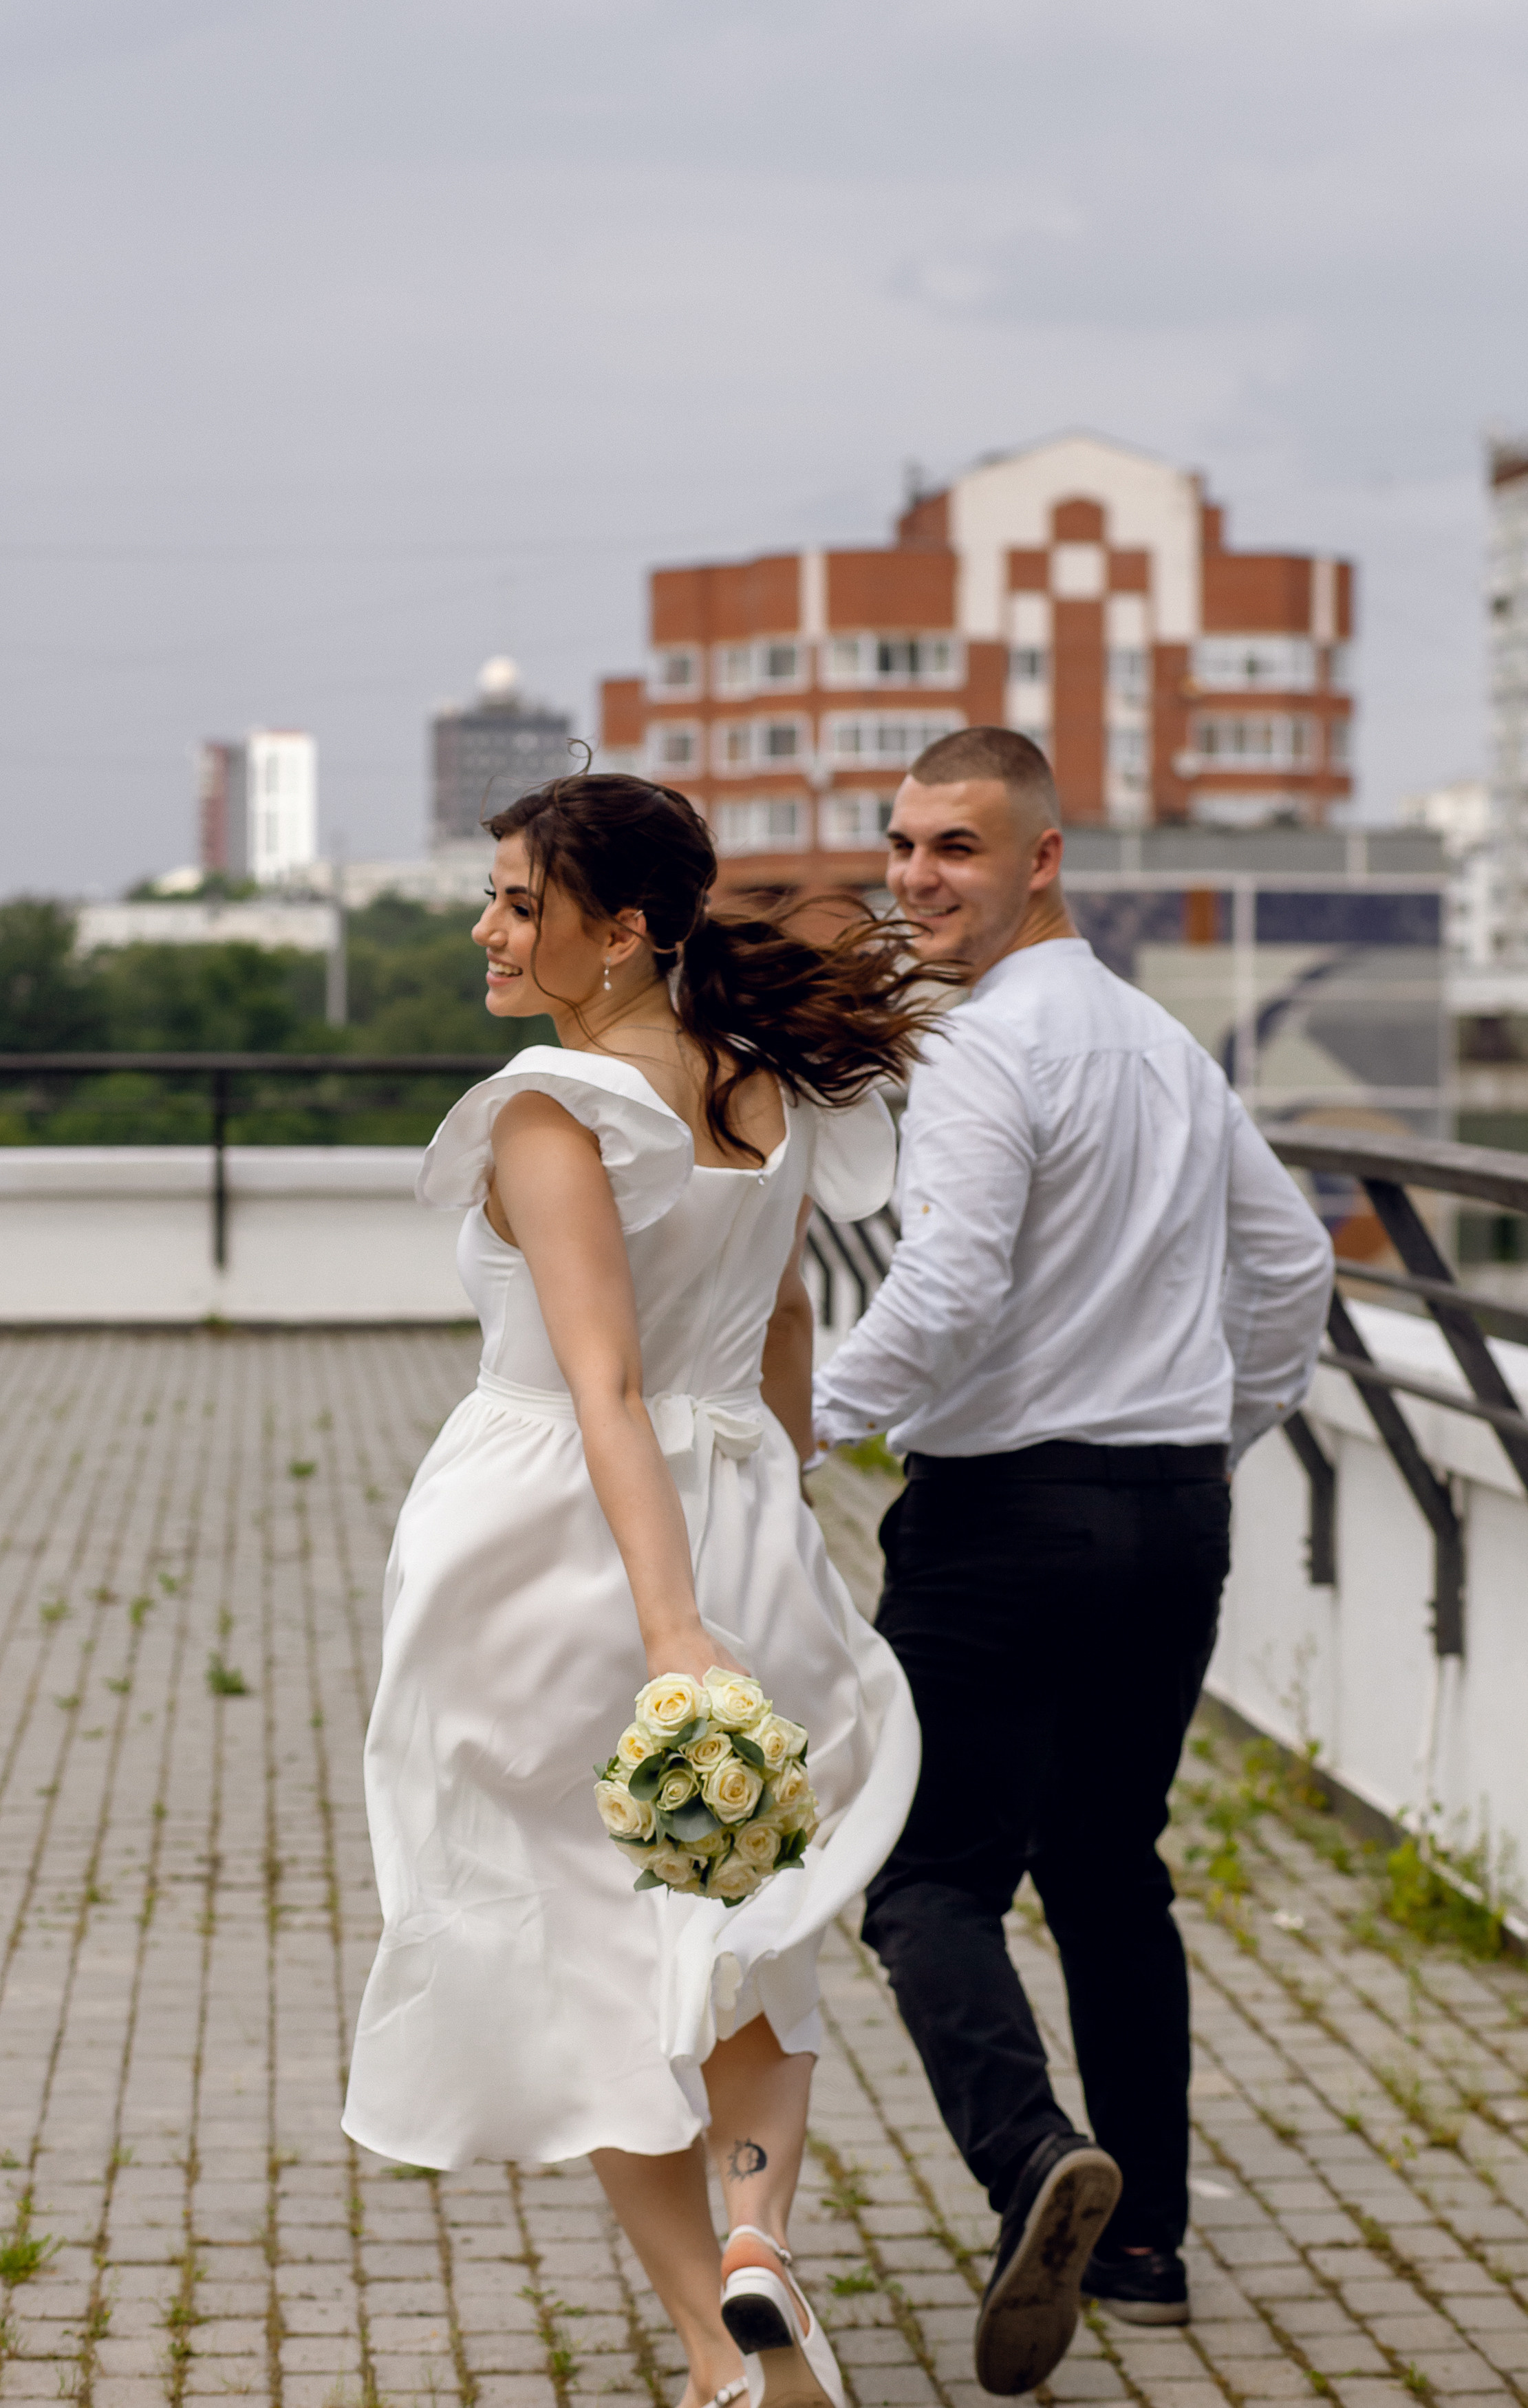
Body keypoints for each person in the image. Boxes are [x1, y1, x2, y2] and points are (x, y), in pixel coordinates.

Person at [343, 771, 939, 2408]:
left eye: (518, 901)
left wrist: (672, 1629)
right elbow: (786, 1334)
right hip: (741, 1507)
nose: (486, 925)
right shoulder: (765, 1081)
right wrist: (776, 1508)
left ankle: (718, 2345)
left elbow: (600, 1389)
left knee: (573, 1942)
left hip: (557, 1548)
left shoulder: (550, 1109)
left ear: (621, 932)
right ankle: (759, 2235)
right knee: (743, 1915)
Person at [813, 728, 1333, 2388]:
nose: (915, 879)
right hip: (1170, 1514)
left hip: (1010, 1520)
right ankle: (1146, 2244)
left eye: (953, 848)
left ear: (1042, 858)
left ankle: (1036, 2158)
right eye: (900, 846)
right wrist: (1206, 1434)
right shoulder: (1164, 1045)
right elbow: (1294, 1265)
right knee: (1110, 1869)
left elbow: (947, 1289)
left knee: (921, 1877)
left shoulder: (982, 1050)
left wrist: (789, 1429)